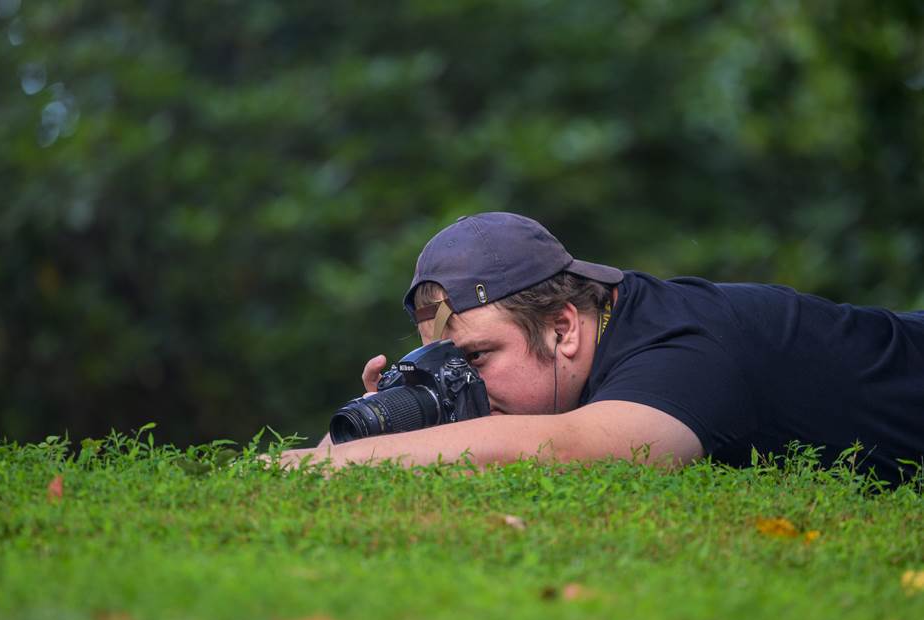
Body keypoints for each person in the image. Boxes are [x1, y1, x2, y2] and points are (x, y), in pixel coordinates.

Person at [280, 212, 924, 483]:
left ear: (564, 328)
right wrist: (411, 416)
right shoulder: (613, 328)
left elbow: (566, 450)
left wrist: (317, 465)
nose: (461, 380)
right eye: (443, 361)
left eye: (474, 359)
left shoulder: (683, 351)